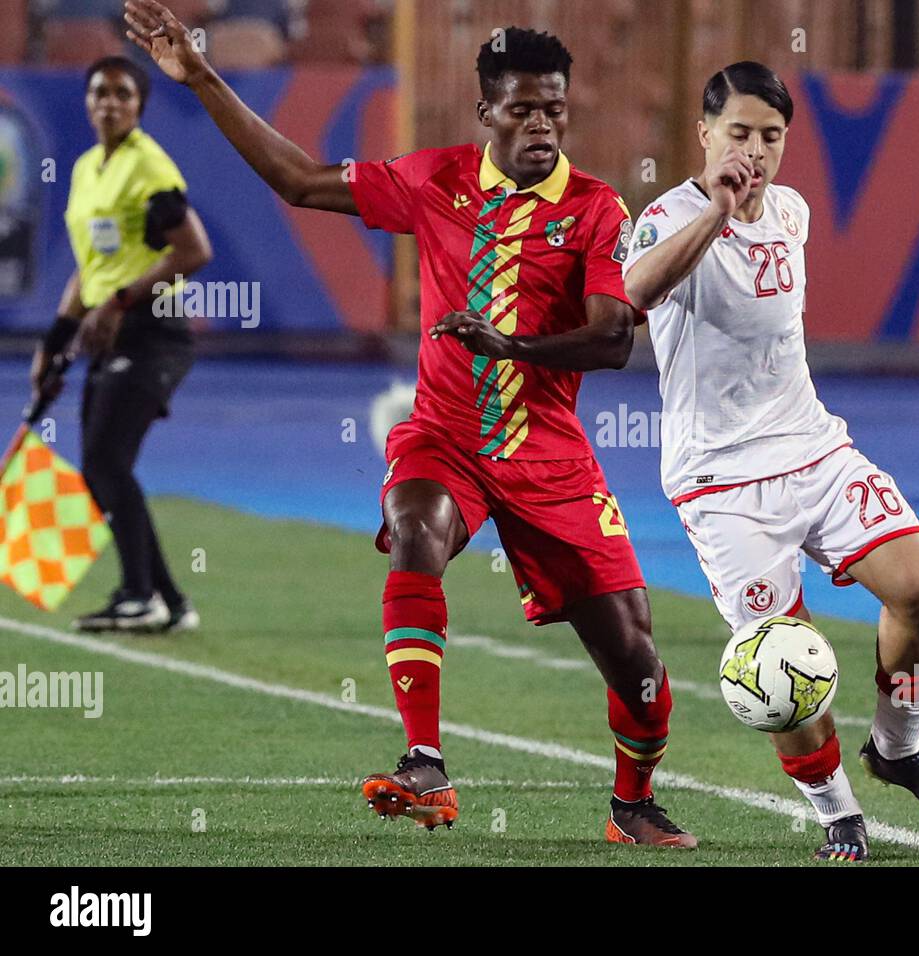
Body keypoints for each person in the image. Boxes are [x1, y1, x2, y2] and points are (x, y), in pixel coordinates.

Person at [125, 1, 697, 846]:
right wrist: (203, 75)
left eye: (554, 109)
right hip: (447, 437)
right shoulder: (436, 180)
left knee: (636, 661)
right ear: (486, 113)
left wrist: (506, 341)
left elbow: (613, 340)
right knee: (414, 524)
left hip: (549, 456)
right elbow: (299, 182)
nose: (542, 124)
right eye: (523, 109)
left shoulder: (595, 209)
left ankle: (633, 803)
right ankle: (423, 761)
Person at [623, 62, 919, 862]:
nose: (755, 151)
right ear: (705, 133)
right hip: (721, 483)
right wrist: (716, 211)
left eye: (772, 136)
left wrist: (745, 206)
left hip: (815, 449)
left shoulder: (792, 209)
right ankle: (837, 813)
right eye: (740, 132)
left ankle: (896, 752)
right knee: (785, 663)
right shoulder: (665, 217)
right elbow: (638, 291)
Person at [32, 55, 210, 633]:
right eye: (100, 93)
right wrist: (55, 340)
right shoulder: (86, 170)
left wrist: (119, 302)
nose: (109, 102)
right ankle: (168, 602)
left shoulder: (150, 170)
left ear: (139, 105)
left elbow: (193, 252)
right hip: (107, 330)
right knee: (98, 469)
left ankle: (140, 595)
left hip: (153, 329)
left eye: (122, 94)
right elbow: (90, 268)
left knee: (108, 462)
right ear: (87, 102)